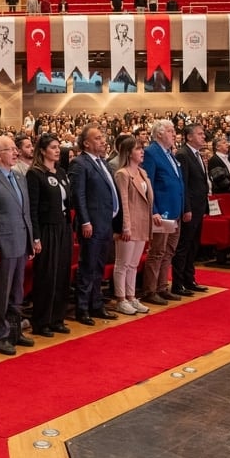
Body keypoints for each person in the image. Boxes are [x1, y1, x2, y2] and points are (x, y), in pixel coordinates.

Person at [0, 135, 34, 354]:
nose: (16, 152)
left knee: (17, 291)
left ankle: (15, 331)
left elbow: (25, 211)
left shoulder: (19, 176)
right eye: (10, 149)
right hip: (3, 243)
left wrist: (31, 240)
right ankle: (0, 335)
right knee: (2, 293)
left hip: (21, 241)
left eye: (15, 149)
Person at [68, 123, 119, 325]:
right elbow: (78, 195)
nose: (103, 141)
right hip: (92, 223)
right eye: (97, 138)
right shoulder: (80, 163)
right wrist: (85, 221)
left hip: (106, 221)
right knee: (87, 266)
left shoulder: (102, 162)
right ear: (86, 143)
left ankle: (96, 303)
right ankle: (82, 308)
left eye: (102, 137)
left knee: (99, 265)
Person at [26, 133, 72, 336]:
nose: (57, 150)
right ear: (43, 151)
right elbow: (33, 208)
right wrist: (35, 237)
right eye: (53, 147)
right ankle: (41, 321)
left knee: (62, 274)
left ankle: (57, 318)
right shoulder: (35, 174)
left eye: (58, 147)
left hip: (63, 226)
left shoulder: (60, 172)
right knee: (47, 275)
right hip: (46, 229)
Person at [139, 119, 184, 306]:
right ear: (159, 133)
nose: (174, 134)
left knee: (169, 251)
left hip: (175, 210)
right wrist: (154, 210)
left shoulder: (170, 153)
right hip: (162, 212)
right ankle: (150, 290)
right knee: (157, 251)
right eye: (170, 131)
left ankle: (162, 287)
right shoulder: (151, 152)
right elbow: (147, 183)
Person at [113, 136, 153, 316]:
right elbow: (123, 202)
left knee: (133, 264)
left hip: (142, 222)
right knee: (122, 263)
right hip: (129, 224)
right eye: (138, 149)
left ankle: (131, 296)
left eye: (142, 148)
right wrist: (125, 226)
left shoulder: (142, 172)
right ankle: (121, 299)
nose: (142, 151)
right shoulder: (122, 173)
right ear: (129, 153)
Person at [171, 123, 209, 297]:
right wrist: (186, 208)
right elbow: (184, 184)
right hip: (190, 208)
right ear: (189, 136)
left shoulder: (197, 154)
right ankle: (178, 283)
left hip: (199, 207)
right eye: (200, 134)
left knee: (194, 245)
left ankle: (189, 279)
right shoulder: (183, 154)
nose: (203, 136)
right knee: (184, 245)